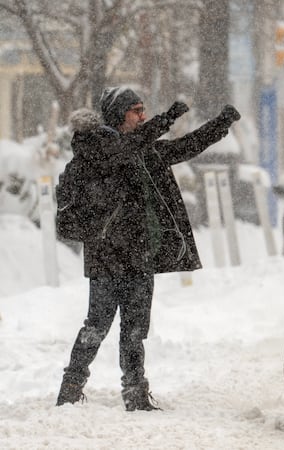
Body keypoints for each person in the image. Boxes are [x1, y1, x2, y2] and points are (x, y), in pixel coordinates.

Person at [56, 86, 241, 411]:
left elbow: (186, 147)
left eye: (144, 110)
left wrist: (221, 124)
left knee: (135, 329)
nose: (142, 116)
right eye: (136, 111)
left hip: (139, 254)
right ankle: (70, 389)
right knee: (97, 325)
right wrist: (167, 116)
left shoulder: (140, 150)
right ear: (117, 115)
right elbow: (123, 151)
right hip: (106, 256)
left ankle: (135, 393)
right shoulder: (98, 148)